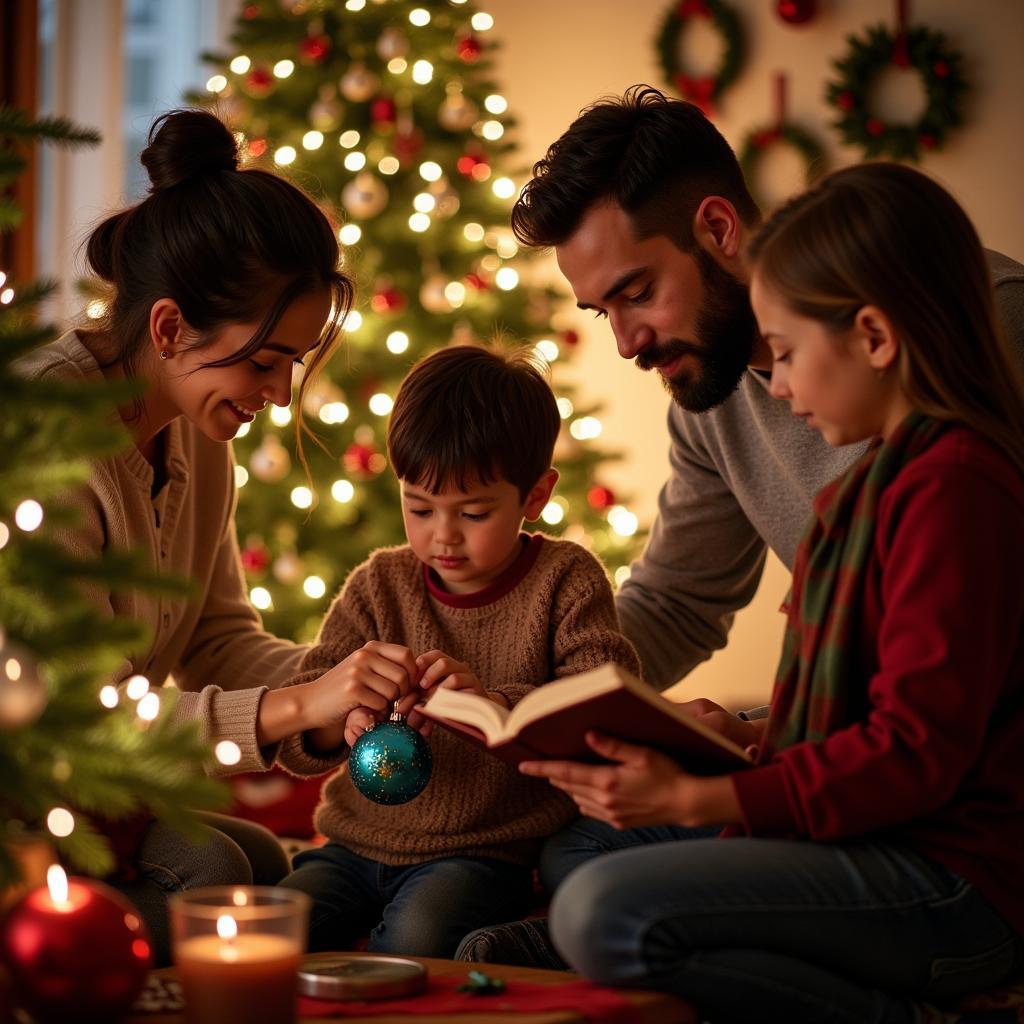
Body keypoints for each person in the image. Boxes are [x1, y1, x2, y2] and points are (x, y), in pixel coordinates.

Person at [454, 84, 1024, 968]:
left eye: (635, 293)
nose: (627, 343)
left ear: (719, 231)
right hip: (858, 748)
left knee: (619, 889)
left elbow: (928, 712)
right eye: (603, 312)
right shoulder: (710, 394)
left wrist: (729, 792)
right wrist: (522, 697)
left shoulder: (977, 340)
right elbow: (676, 601)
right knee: (583, 843)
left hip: (961, 796)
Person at [15, 108, 396, 963]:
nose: (281, 393)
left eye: (291, 363)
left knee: (262, 863)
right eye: (264, 361)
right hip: (31, 794)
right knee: (225, 872)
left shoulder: (196, 430)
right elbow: (82, 718)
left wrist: (344, 686)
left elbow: (218, 640)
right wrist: (297, 706)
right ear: (168, 328)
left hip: (107, 796)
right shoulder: (46, 438)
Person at [273, 343, 640, 957]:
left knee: (417, 938)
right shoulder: (377, 584)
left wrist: (492, 704)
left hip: (483, 851)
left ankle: (518, 932)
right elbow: (301, 726)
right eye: (418, 507)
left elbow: (604, 704)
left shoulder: (565, 578)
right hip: (353, 845)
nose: (441, 535)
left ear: (535, 496)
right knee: (278, 927)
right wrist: (344, 720)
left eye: (472, 513)